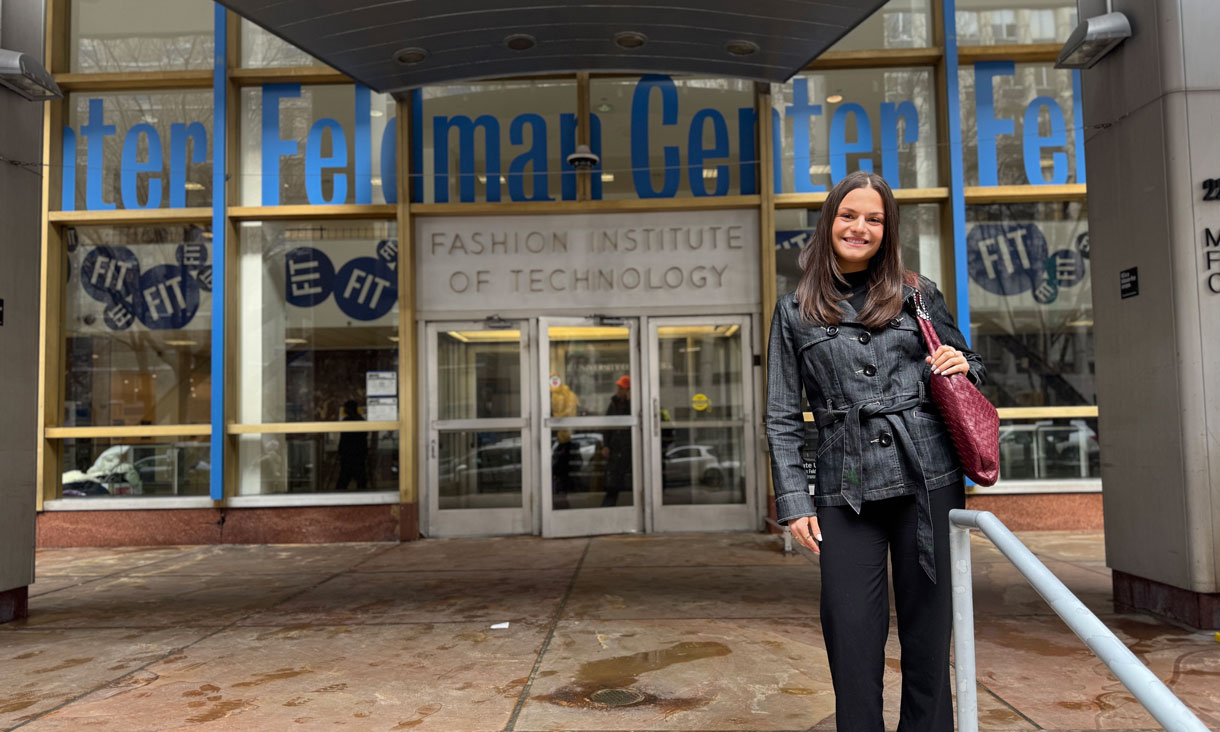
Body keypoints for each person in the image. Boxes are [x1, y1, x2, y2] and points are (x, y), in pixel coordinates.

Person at [765, 170, 986, 732]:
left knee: (929, 634)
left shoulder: (917, 293)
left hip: (927, 477)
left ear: (887, 231)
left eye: (874, 219)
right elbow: (783, 415)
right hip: (846, 486)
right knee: (850, 631)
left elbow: (968, 367)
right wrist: (794, 500)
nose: (859, 227)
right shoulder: (794, 311)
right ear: (828, 222)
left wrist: (964, 364)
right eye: (848, 215)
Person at [601, 374, 632, 507]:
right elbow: (607, 425)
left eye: (623, 389)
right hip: (615, 448)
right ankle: (608, 507)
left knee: (629, 478)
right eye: (619, 388)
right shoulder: (613, 403)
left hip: (630, 448)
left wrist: (630, 402)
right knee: (613, 481)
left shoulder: (633, 403)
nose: (619, 391)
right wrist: (606, 445)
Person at [335, 400, 369, 491]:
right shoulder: (361, 420)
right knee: (360, 476)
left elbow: (344, 439)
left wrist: (340, 451)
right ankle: (363, 494)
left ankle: (339, 494)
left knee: (344, 476)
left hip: (348, 453)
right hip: (359, 452)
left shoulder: (347, 421)